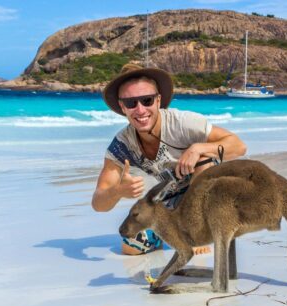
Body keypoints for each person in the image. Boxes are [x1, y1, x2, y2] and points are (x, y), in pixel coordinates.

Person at [92, 63, 247, 255]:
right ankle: (167, 235)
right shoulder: (122, 144)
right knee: (130, 247)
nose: (140, 110)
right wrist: (117, 191)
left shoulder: (182, 124)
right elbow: (98, 204)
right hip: (171, 201)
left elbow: (238, 146)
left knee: (205, 159)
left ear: (158, 101)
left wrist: (198, 148)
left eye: (146, 100)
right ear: (123, 107)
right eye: (131, 103)